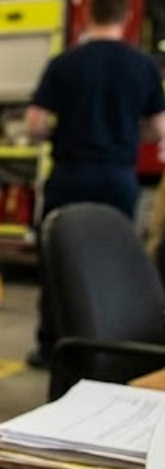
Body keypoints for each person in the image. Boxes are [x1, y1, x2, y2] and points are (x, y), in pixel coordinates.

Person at [24, 0, 165, 368]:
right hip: (118, 177)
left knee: (58, 260)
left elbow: (35, 124)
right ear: (128, 16)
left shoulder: (65, 63)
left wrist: (67, 127)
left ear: (88, 13)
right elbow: (158, 128)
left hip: (71, 174)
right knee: (109, 263)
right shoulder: (145, 66)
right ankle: (105, 348)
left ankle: (50, 347)